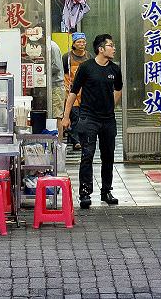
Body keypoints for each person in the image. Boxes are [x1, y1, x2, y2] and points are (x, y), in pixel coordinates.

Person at [59, 33, 122, 209]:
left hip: (108, 119)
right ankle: (85, 193)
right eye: (110, 45)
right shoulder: (86, 67)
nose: (114, 48)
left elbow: (118, 90)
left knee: (108, 156)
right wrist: (66, 117)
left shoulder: (115, 69)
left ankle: (106, 191)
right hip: (88, 118)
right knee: (87, 155)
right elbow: (73, 92)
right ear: (101, 49)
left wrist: (111, 105)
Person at [62, 32, 91, 148]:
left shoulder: (89, 56)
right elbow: (63, 73)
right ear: (73, 44)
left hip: (86, 90)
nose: (81, 44)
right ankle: (76, 141)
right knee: (74, 115)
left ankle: (80, 138)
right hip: (72, 89)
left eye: (83, 42)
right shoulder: (67, 57)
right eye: (79, 42)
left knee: (84, 116)